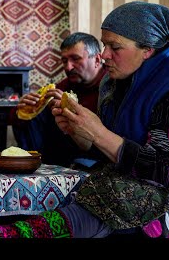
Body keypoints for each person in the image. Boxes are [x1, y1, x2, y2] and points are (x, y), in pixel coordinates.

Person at [0, 1, 169, 238]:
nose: (104, 55)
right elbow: (111, 154)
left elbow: (164, 169)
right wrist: (79, 132)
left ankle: (25, 233)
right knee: (75, 178)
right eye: (104, 44)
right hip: (131, 177)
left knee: (117, 191)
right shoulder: (115, 84)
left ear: (147, 50)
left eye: (114, 47)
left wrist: (97, 131)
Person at [11, 32, 106, 167]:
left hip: (95, 153)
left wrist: (72, 107)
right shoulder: (65, 85)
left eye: (76, 59)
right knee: (36, 116)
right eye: (64, 61)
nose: (68, 67)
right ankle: (33, 166)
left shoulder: (111, 86)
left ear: (97, 60)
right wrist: (24, 109)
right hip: (60, 153)